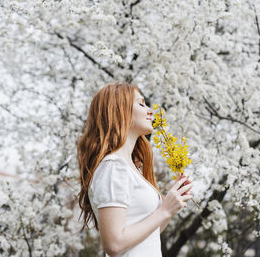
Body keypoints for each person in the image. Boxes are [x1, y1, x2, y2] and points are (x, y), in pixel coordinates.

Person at [77, 82, 193, 256]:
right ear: (119, 111)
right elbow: (114, 244)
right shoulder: (113, 167)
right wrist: (165, 209)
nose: (150, 111)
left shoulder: (131, 168)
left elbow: (147, 236)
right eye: (141, 104)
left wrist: (171, 207)